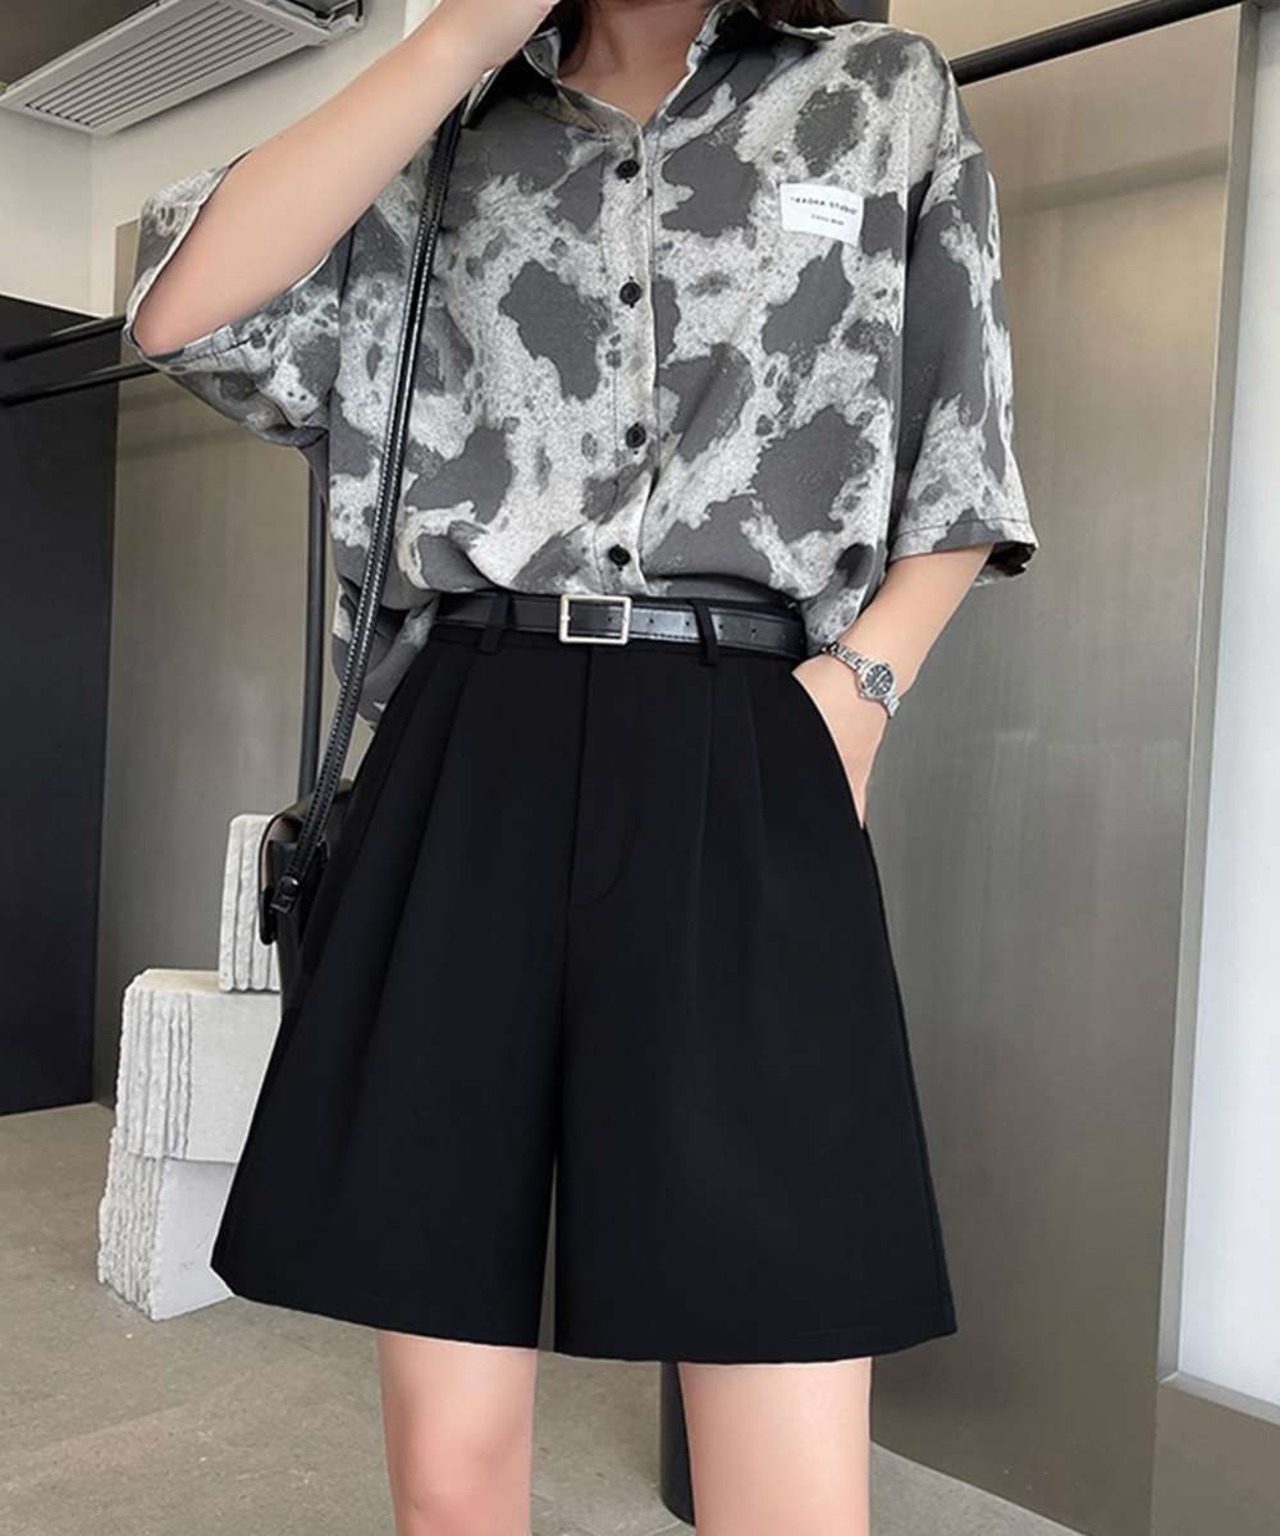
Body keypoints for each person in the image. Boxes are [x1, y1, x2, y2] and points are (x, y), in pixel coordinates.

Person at [123, 1, 1039, 1532]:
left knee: (782, 1387)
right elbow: (179, 311)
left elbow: (966, 443)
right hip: (470, 739)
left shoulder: (877, 93)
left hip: (749, 732)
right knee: (450, 1454)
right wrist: (446, 43)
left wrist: (861, 692)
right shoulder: (446, 128)